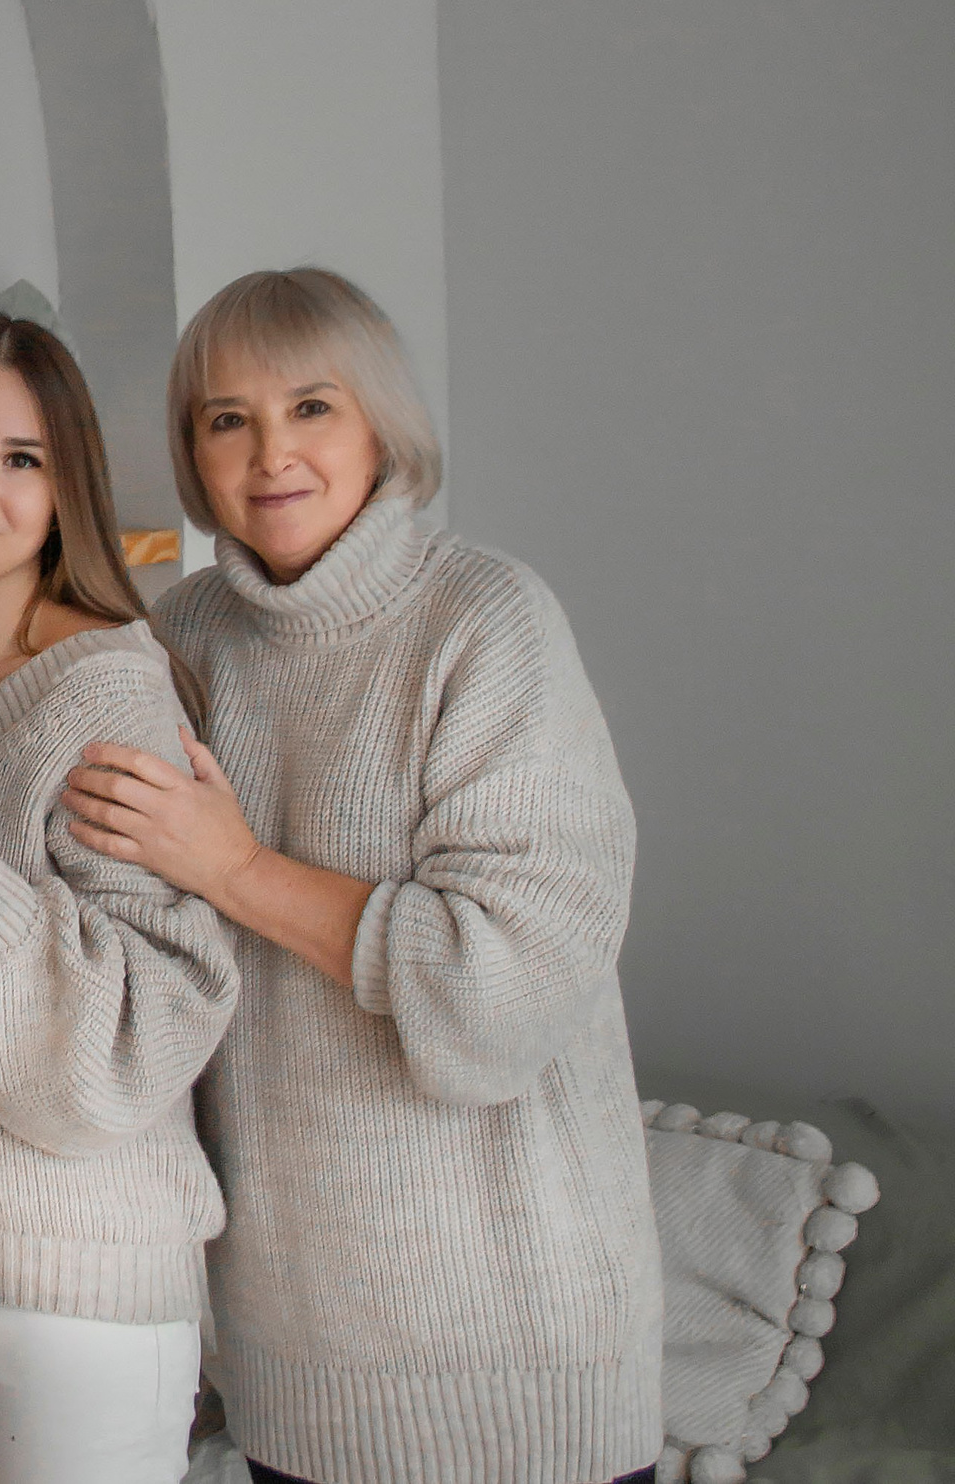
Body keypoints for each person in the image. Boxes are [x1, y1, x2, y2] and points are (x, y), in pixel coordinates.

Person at [64, 268, 660, 1484]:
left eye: (310, 407)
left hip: (520, 1347)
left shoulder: (486, 621)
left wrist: (233, 866)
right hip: (294, 1353)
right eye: (225, 419)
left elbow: (506, 991)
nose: (268, 452)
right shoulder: (183, 640)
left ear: (381, 424)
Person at [0, 312, 239, 1484]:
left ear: (69, 487)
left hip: (79, 1283)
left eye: (22, 459)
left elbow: (157, 1017)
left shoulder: (110, 694)